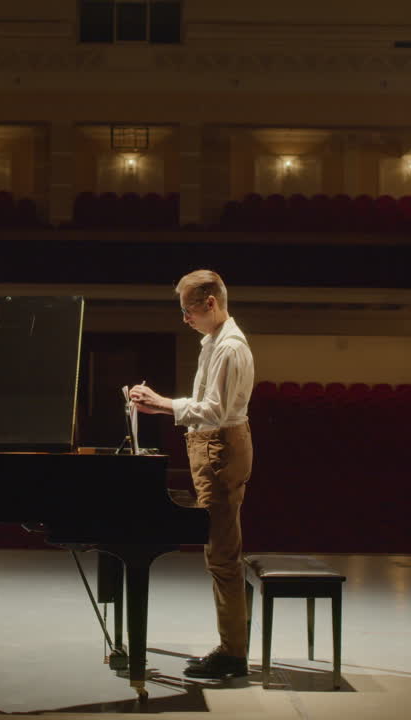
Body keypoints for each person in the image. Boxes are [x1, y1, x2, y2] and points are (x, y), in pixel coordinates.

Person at [129, 269, 255, 680]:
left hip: (220, 448)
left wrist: (163, 403)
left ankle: (233, 654)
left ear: (210, 304)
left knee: (222, 555)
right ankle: (231, 646)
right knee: (217, 553)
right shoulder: (212, 343)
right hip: (211, 445)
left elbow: (215, 411)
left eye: (188, 310)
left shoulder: (230, 348)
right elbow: (203, 404)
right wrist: (162, 407)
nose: (184, 318)